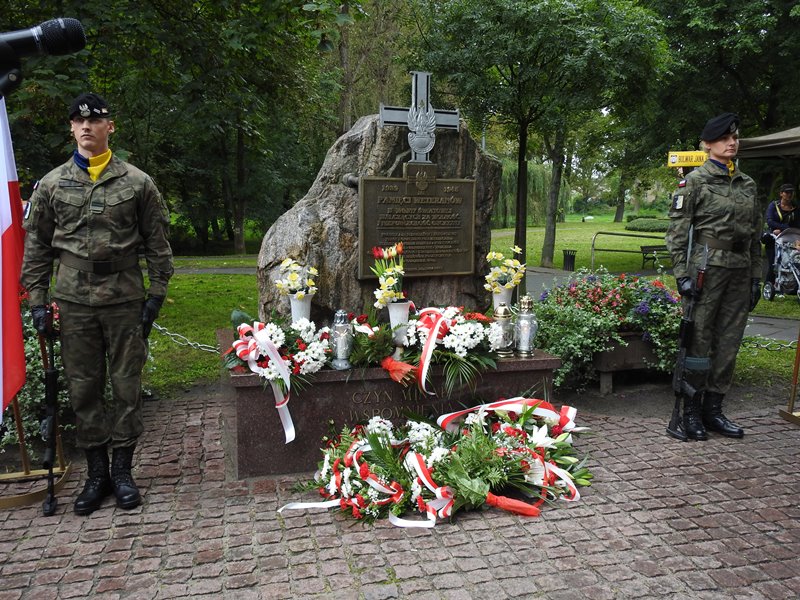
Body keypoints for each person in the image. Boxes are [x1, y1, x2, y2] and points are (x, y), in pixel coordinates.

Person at [21, 93, 174, 514]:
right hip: (74, 301)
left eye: (95, 120)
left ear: (110, 126)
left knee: (126, 386)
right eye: (78, 121)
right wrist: (38, 302)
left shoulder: (138, 183)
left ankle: (122, 472)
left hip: (124, 299)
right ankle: (96, 474)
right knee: (83, 388)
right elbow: (37, 249)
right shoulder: (52, 184)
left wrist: (156, 296)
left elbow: (158, 244)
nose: (86, 126)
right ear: (72, 128)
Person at [665, 112, 761, 441]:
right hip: (706, 269)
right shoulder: (695, 182)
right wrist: (682, 275)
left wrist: (756, 277)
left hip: (740, 269)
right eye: (724, 138)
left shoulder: (747, 184)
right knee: (700, 342)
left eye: (734, 137)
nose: (732, 143)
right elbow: (677, 234)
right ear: (707, 144)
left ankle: (714, 410)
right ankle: (691, 412)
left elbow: (755, 235)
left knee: (729, 342)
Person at [763, 183, 797, 284]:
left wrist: (786, 229)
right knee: (773, 264)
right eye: (787, 192)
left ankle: (790, 285)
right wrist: (784, 228)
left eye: (791, 192)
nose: (789, 194)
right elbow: (769, 221)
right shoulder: (773, 205)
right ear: (781, 193)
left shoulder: (795, 207)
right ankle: (769, 286)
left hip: (790, 238)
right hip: (773, 238)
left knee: (792, 263)